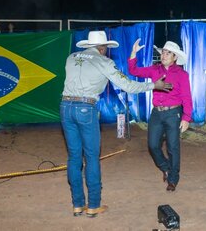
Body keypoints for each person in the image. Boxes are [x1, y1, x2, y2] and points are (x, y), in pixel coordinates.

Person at [60, 30, 173, 218]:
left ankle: (77, 204)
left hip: (65, 107)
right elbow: (127, 85)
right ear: (102, 48)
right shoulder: (104, 62)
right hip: (85, 108)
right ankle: (93, 205)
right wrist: (153, 85)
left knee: (74, 157)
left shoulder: (71, 57)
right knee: (92, 157)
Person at [128, 39, 193, 192]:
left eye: (168, 53)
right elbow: (133, 71)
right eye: (163, 52)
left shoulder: (182, 75)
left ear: (175, 57)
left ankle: (173, 179)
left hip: (173, 113)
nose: (164, 55)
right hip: (157, 112)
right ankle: (166, 167)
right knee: (152, 145)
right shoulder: (154, 70)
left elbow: (187, 97)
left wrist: (186, 117)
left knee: (173, 147)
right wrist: (133, 53)